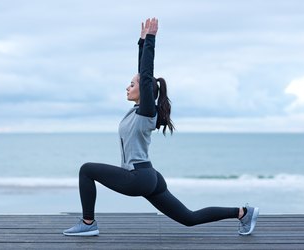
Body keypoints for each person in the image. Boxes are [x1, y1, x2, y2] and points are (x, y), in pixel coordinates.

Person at [63, 18, 259, 237]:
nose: (127, 87)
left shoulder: (148, 112)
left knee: (86, 169)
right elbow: (143, 76)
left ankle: (88, 223)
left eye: (131, 84)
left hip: (138, 178)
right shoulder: (137, 111)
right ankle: (243, 212)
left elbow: (145, 76)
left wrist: (151, 41)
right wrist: (141, 41)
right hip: (150, 176)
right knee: (188, 218)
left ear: (145, 91)